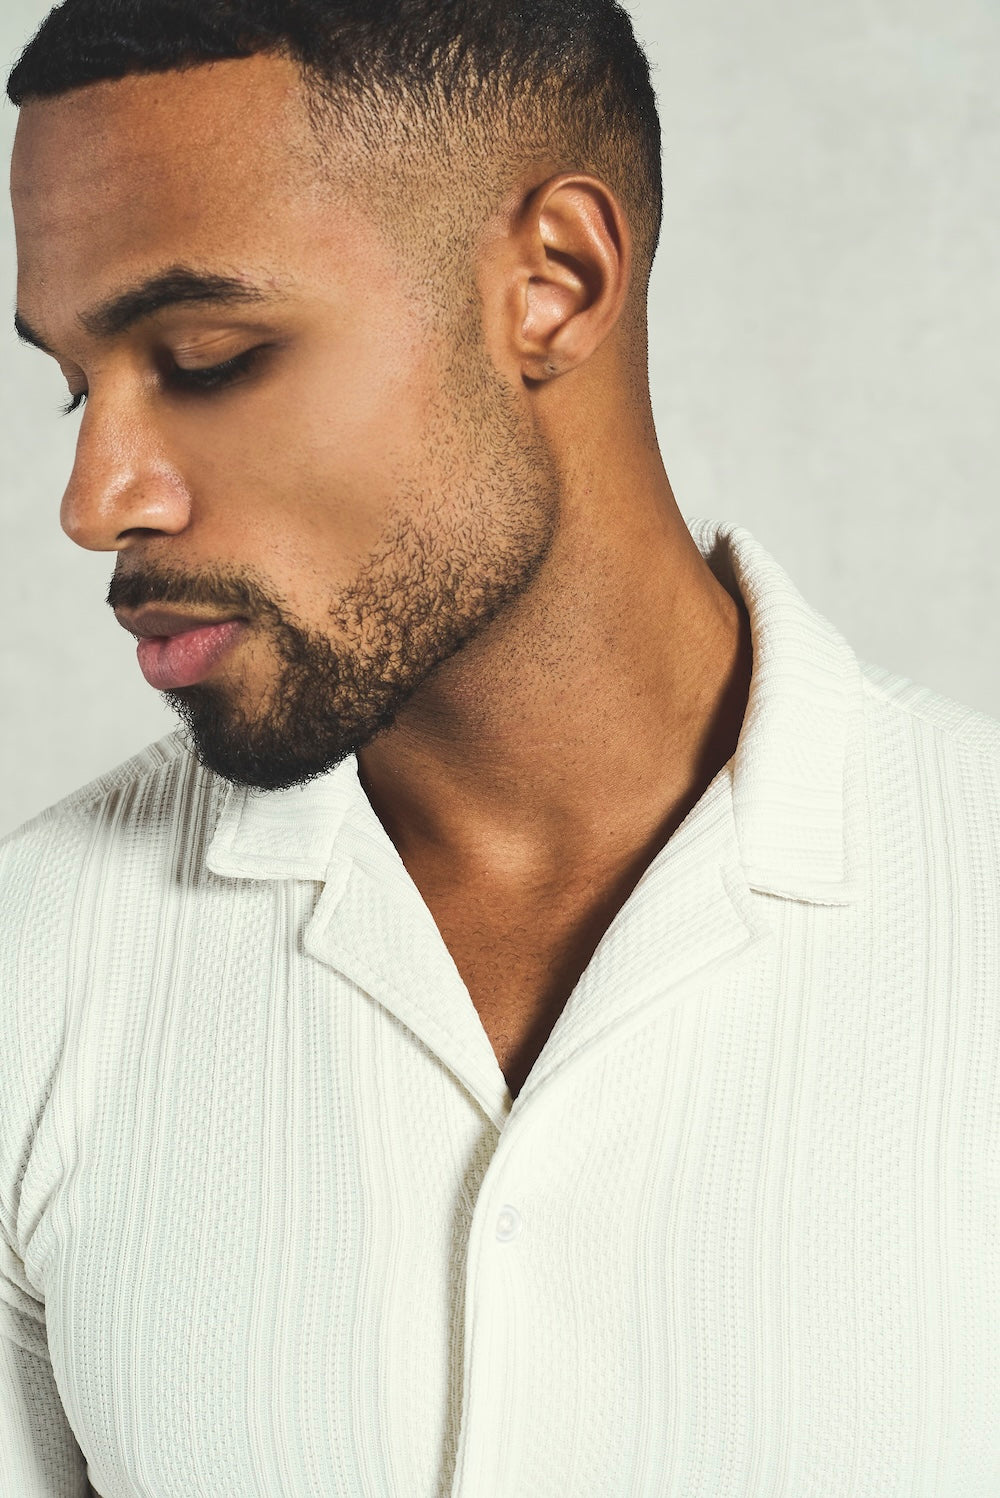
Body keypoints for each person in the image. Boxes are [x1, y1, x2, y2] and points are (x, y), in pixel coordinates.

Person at [2, 1, 997, 1494]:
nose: (97, 501)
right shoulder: (31, 975)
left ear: (555, 284)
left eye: (205, 357)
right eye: (79, 384)